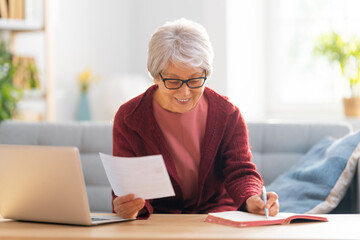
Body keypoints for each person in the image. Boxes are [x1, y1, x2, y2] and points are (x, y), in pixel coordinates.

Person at [112, 18, 279, 219]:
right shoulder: (130, 118)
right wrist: (131, 207)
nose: (185, 92)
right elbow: (130, 186)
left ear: (207, 73)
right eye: (173, 81)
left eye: (195, 80)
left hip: (216, 217)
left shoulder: (227, 114)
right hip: (159, 220)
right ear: (155, 76)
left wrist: (253, 198)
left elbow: (240, 170)